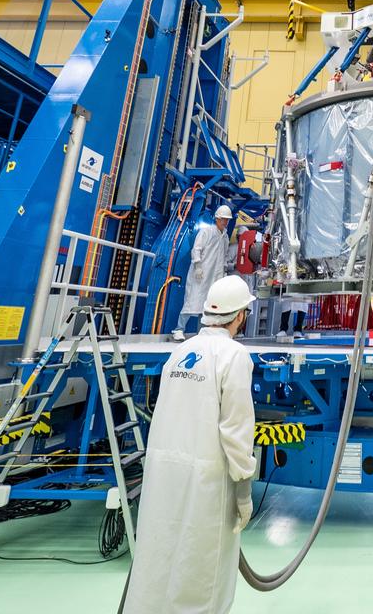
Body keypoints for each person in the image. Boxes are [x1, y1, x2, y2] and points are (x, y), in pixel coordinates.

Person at [123, 275, 257, 614]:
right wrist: (243, 490)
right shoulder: (234, 356)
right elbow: (237, 429)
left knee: (158, 560)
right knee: (203, 574)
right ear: (240, 315)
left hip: (163, 474)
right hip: (208, 481)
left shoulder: (180, 352)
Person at [176, 204, 233, 340]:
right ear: (217, 218)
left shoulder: (224, 236)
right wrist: (197, 265)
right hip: (200, 274)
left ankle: (201, 332)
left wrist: (223, 271)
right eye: (223, 219)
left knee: (208, 305)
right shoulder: (207, 232)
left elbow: (224, 256)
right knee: (192, 301)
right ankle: (179, 329)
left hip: (215, 276)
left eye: (227, 219)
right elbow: (196, 249)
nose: (225, 222)